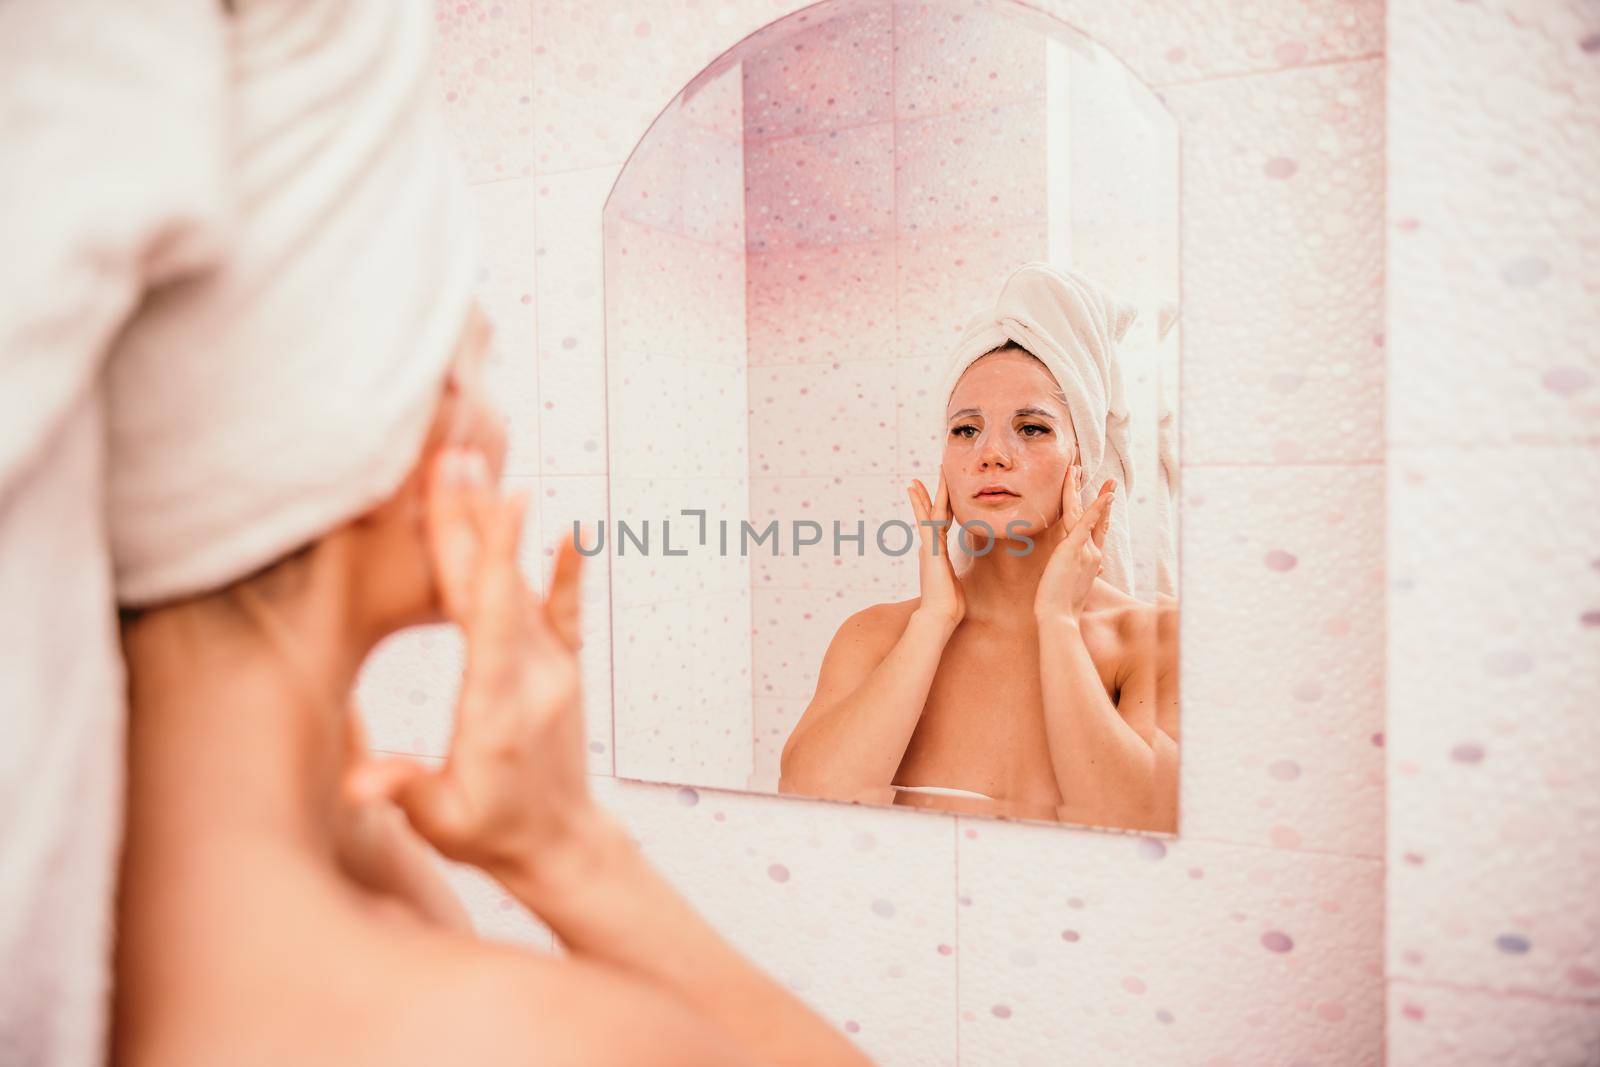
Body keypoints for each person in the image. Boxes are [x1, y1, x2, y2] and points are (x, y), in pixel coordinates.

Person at [114, 304, 874, 1066]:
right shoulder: (532, 1033)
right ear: (390, 432)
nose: (496, 426)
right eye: (476, 367)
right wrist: (567, 846)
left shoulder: (116, 891)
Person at [778, 265, 1178, 832]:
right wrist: (934, 619)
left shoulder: (1151, 643)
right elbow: (806, 802)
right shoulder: (875, 637)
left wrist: (1057, 623)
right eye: (965, 430)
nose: (991, 454)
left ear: (1081, 459)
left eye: (1032, 428)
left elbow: (1144, 827)